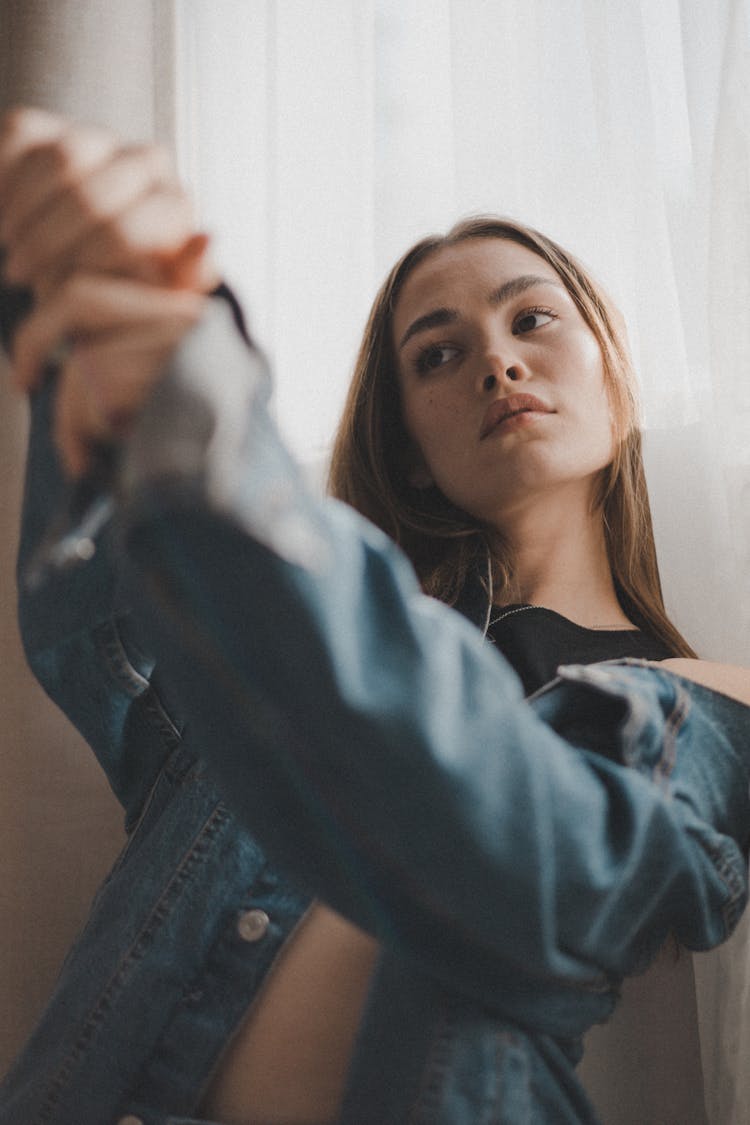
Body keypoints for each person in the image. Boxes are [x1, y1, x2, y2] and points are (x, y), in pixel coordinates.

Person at [0, 107, 749, 1125]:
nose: (499, 362)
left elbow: (539, 871)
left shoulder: (699, 699)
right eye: (438, 355)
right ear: (408, 454)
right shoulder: (255, 653)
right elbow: (98, 635)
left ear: (618, 376)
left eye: (532, 319)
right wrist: (87, 311)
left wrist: (202, 406)